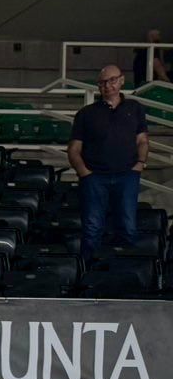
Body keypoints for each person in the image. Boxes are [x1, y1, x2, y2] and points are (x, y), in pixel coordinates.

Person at [69, 66, 151, 265]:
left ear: (121, 81)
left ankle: (127, 274)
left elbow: (142, 141)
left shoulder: (135, 108)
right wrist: (85, 174)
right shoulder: (86, 113)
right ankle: (88, 275)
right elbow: (73, 148)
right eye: (103, 82)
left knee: (128, 226)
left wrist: (140, 164)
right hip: (95, 177)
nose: (108, 85)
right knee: (92, 228)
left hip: (127, 175)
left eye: (112, 80)